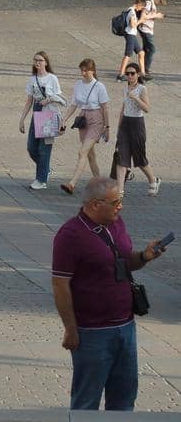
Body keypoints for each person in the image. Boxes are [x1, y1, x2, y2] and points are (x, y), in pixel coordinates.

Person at [51, 176, 168, 412]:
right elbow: (60, 285)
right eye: (116, 202)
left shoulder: (116, 223)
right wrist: (71, 329)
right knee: (86, 402)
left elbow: (125, 263)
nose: (120, 206)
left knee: (124, 399)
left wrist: (144, 256)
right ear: (95, 204)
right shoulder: (70, 235)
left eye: (121, 200)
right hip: (92, 333)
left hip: (125, 327)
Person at [58, 58, 111, 195]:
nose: (83, 73)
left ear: (92, 71)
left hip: (96, 119)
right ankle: (101, 185)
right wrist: (64, 119)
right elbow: (74, 104)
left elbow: (105, 108)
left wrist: (107, 126)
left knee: (82, 152)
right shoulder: (78, 85)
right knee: (90, 155)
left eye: (85, 70)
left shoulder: (99, 86)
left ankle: (72, 183)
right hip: (83, 119)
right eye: (81, 70)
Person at [19, 51, 66, 190]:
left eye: (40, 60)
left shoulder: (52, 78)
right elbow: (29, 101)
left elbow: (59, 97)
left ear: (46, 62)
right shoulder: (32, 79)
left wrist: (49, 99)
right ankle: (45, 169)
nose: (38, 63)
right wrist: (22, 119)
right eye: (35, 60)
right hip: (37, 110)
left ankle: (41, 180)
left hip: (49, 113)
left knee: (44, 149)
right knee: (31, 147)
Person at [111, 66, 160, 194]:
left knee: (139, 158)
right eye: (127, 74)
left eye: (132, 73)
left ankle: (153, 179)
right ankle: (120, 190)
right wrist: (119, 127)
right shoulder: (125, 89)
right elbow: (123, 108)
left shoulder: (142, 89)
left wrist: (135, 98)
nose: (130, 76)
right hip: (125, 124)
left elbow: (147, 108)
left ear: (138, 74)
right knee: (122, 157)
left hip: (137, 124)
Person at [137, 0, 166, 79]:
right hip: (145, 30)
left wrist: (157, 16)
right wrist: (156, 15)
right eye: (160, 1)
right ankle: (145, 70)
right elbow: (143, 16)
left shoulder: (152, 5)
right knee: (152, 49)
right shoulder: (149, 3)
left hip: (148, 30)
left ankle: (142, 69)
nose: (160, 3)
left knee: (146, 49)